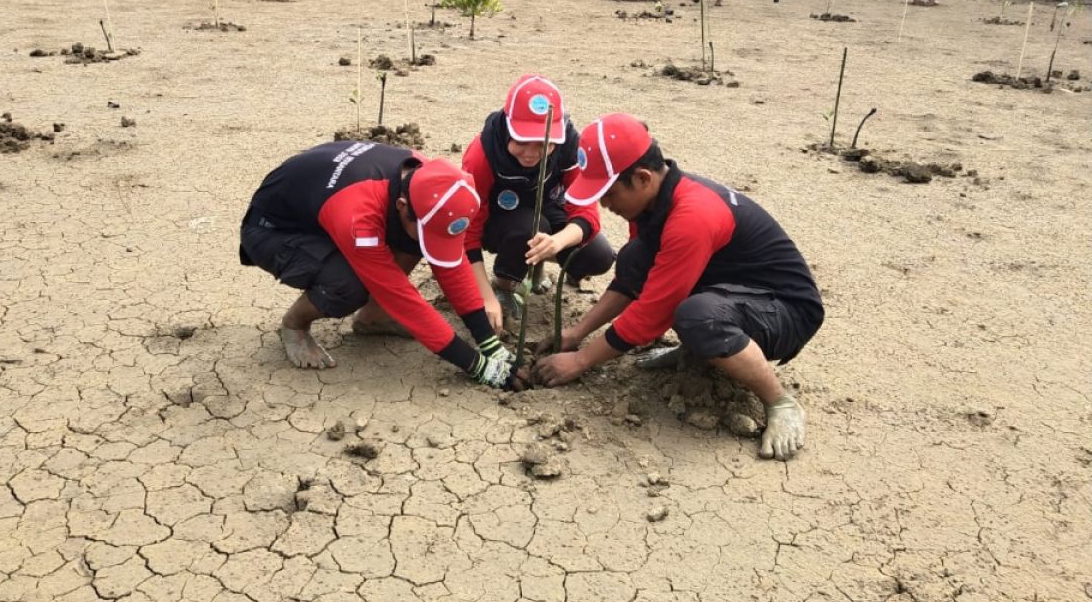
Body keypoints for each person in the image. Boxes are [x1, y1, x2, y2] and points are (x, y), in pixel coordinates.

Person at [534, 114, 825, 461]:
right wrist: (575, 332)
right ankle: (697, 349)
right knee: (633, 257)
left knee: (698, 318)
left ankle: (780, 402)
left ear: (642, 178)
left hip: (785, 312)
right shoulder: (652, 204)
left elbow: (652, 311)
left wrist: (581, 361)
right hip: (736, 293)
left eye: (609, 194)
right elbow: (634, 279)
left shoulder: (692, 215)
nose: (605, 206)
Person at [239, 142, 518, 388]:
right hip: (274, 231)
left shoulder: (431, 185)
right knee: (350, 284)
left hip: (322, 208)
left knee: (418, 238)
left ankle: (374, 318)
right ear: (401, 205)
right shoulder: (357, 216)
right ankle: (295, 325)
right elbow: (396, 294)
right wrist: (474, 365)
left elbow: (450, 265)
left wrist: (489, 342)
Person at [461, 75, 614, 329]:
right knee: (530, 227)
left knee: (598, 255)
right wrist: (485, 297)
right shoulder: (482, 153)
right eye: (521, 141)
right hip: (502, 220)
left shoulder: (570, 145)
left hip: (548, 209)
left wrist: (558, 242)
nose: (531, 154)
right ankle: (505, 284)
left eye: (545, 144)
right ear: (508, 127)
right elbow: (468, 232)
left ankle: (538, 261)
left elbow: (586, 212)